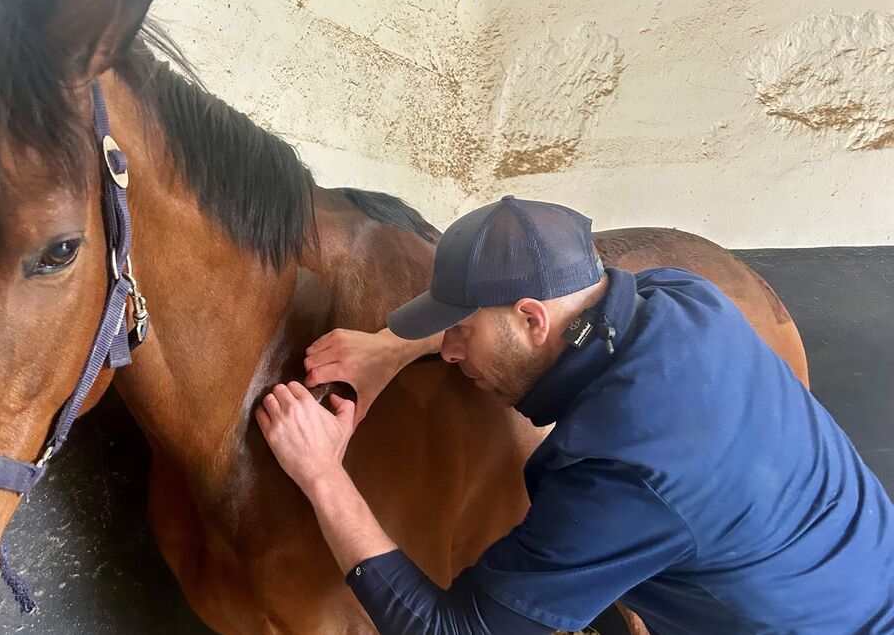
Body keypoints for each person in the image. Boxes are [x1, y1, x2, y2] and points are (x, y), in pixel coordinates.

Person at [256, 196, 894, 634]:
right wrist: (394, 347)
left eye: (459, 331)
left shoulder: (626, 468)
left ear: (533, 319)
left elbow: (449, 630)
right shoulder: (681, 295)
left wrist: (322, 474)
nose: (447, 352)